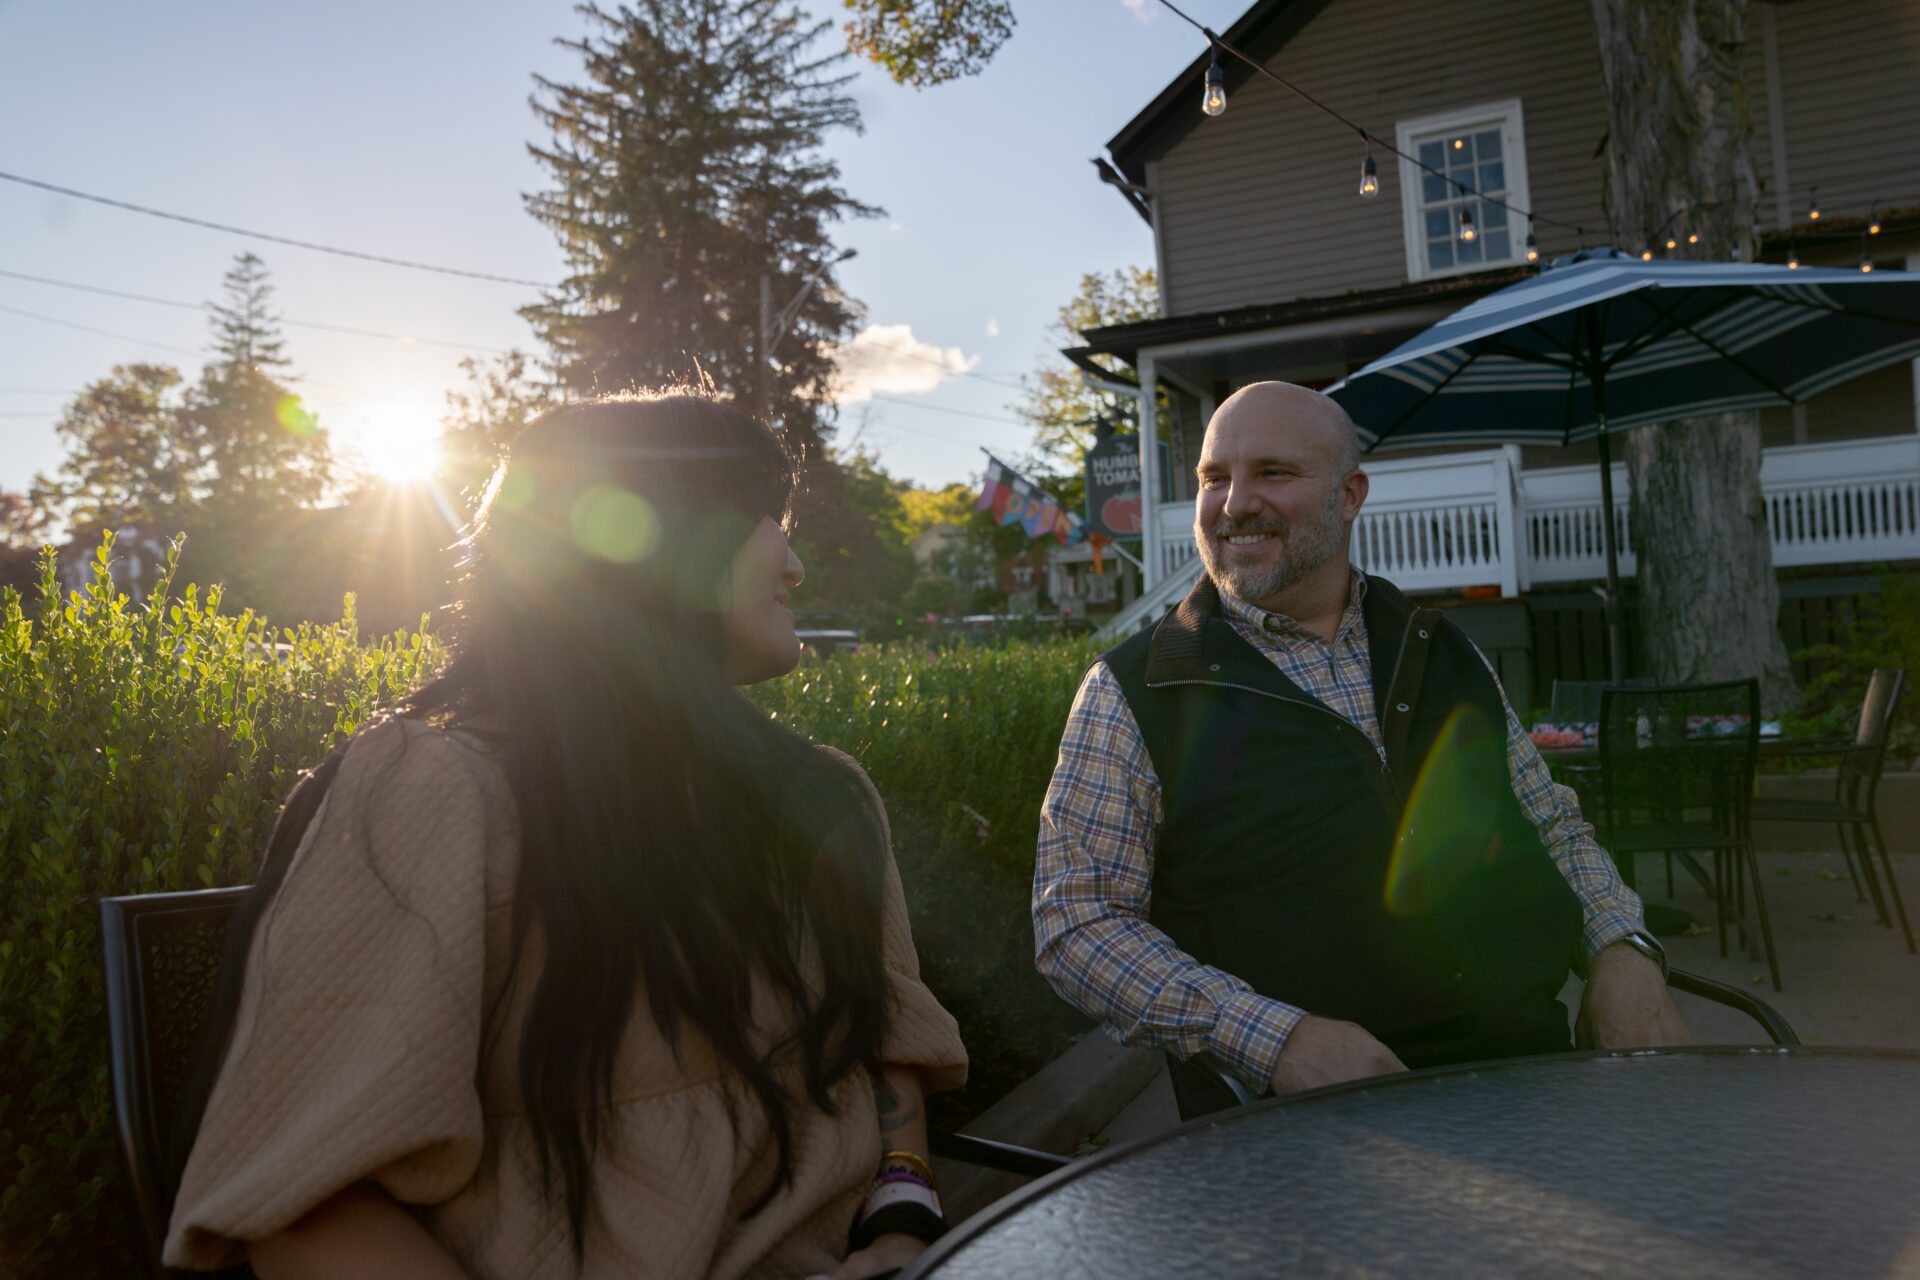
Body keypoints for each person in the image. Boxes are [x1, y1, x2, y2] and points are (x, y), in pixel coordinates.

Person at [165, 395, 966, 1278]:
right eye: (768, 520)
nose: (798, 564)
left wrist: (901, 1230)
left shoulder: (826, 797)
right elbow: (311, 1210)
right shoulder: (437, 791)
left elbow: (887, 1053)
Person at [1033, 381, 1688, 1119]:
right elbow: (1079, 924)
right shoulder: (1137, 689)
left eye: (1273, 473)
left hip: (1533, 1085)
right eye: (1215, 478)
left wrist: (1622, 948)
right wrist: (1275, 1040)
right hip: (1307, 1132)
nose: (1235, 502)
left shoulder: (1441, 650)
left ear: (1350, 496)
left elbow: (1552, 826)